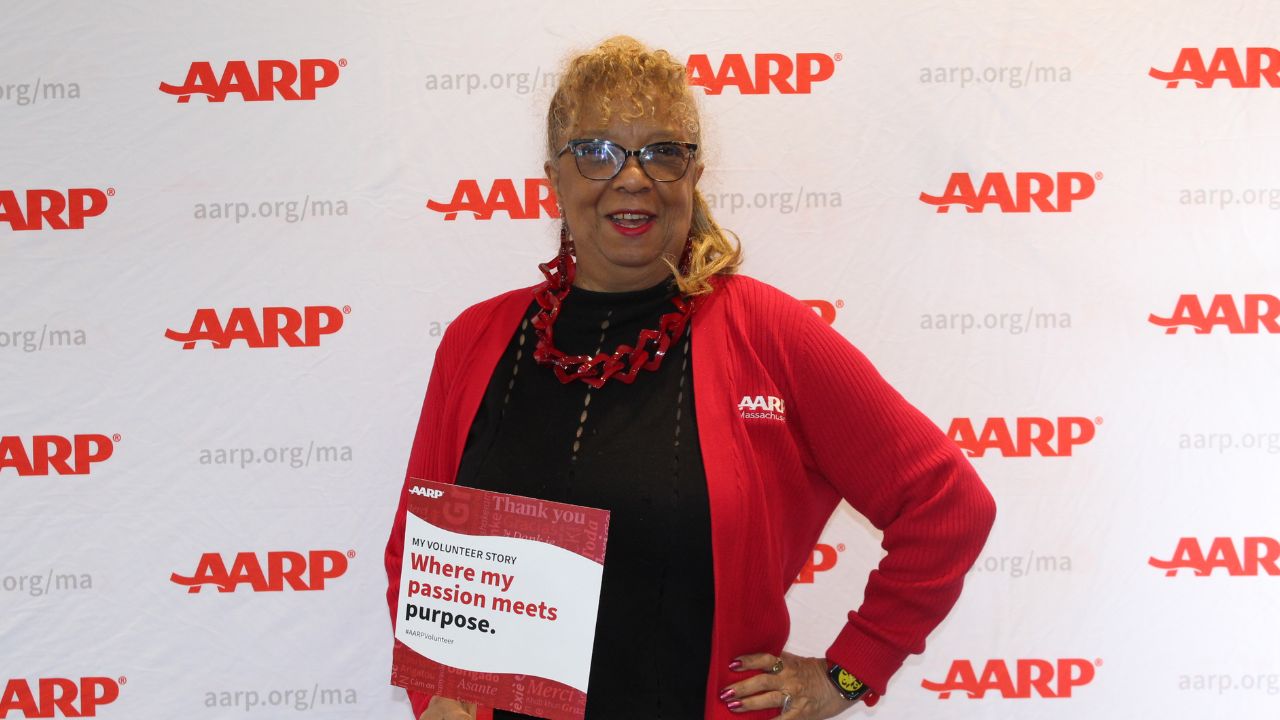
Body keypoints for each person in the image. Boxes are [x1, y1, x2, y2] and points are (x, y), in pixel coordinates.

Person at [386, 36, 996, 720]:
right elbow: (417, 550)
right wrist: (436, 687)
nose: (632, 177)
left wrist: (850, 673)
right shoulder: (479, 340)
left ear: (694, 173)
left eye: (661, 151)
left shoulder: (768, 333)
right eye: (597, 151)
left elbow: (948, 505)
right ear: (553, 178)